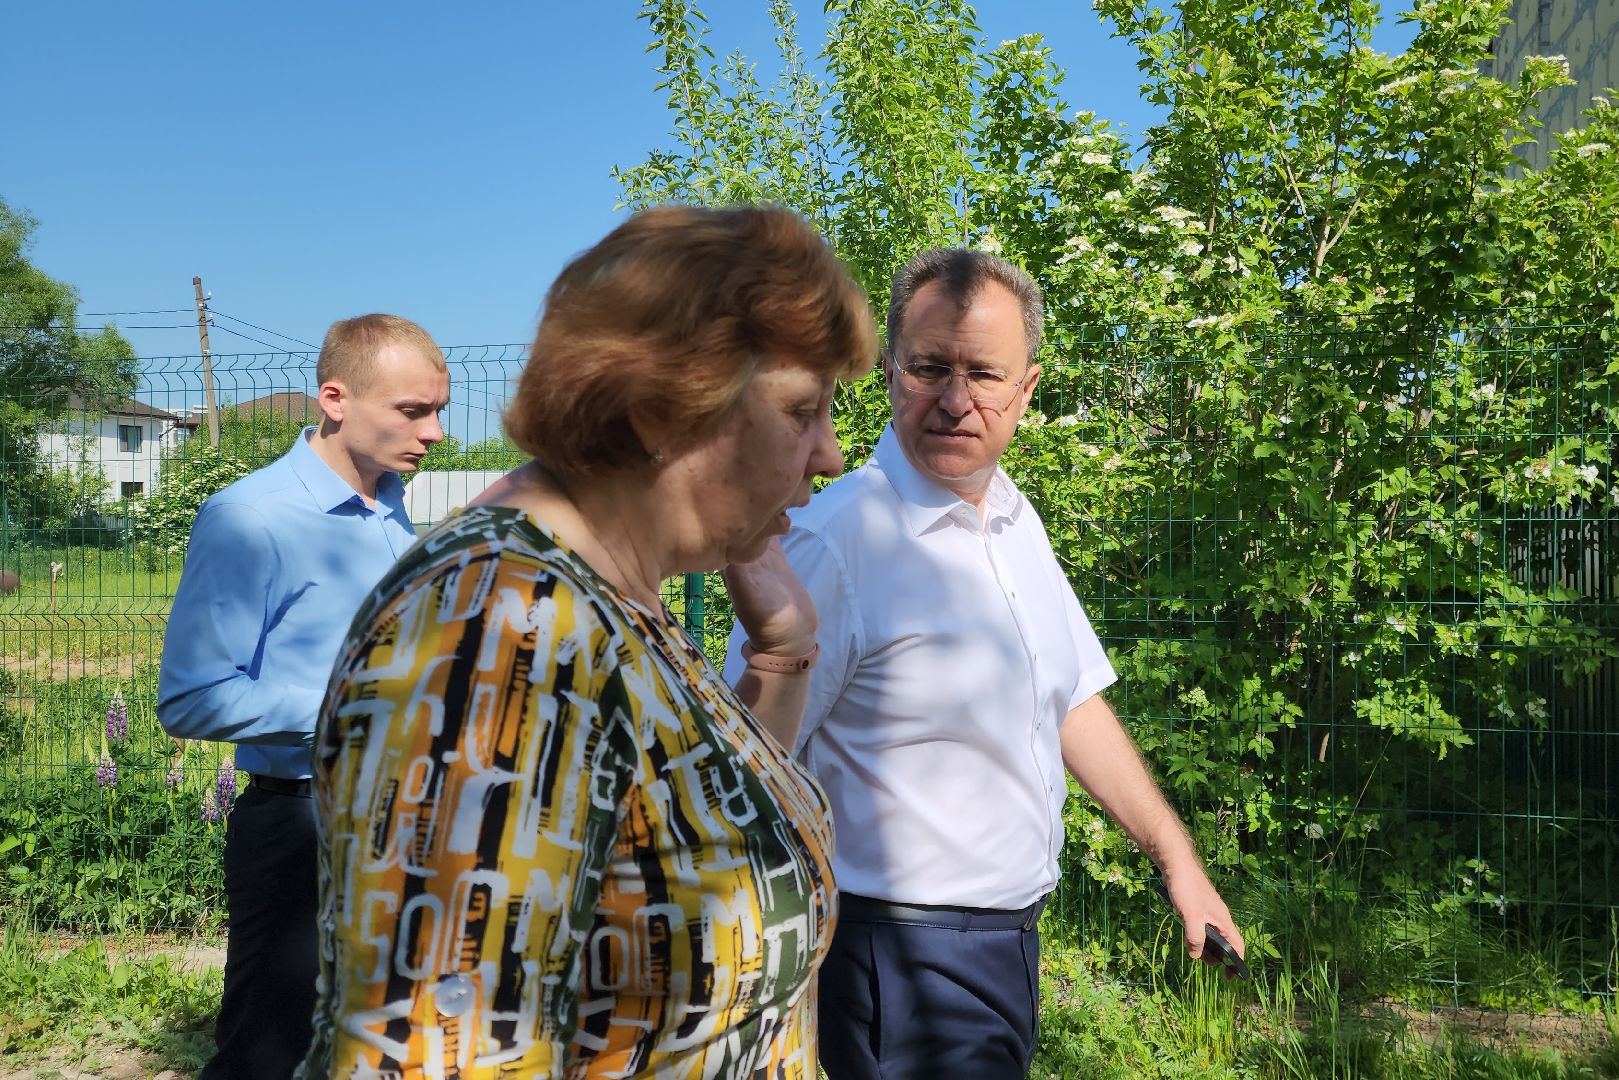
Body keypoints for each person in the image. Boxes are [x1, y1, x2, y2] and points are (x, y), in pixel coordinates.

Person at [297, 205, 877, 1078]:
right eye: (802, 411)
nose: (830, 455)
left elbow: (696, 847)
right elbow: (439, 1056)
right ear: (660, 408)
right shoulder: (497, 630)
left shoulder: (605, 598)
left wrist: (784, 646)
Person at [724, 248, 1246, 1079]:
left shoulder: (1011, 517)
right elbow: (747, 767)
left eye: (983, 373)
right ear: (890, 373)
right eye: (930, 367)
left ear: (1026, 389)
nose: (956, 400)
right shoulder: (836, 541)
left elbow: (1071, 701)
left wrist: (1178, 864)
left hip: (1006, 942)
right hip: (893, 957)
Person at [158, 314, 451, 1079]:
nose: (437, 432)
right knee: (270, 1054)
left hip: (405, 821)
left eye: (438, 410)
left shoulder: (388, 501)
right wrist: (363, 697)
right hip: (302, 830)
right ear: (334, 398)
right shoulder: (250, 517)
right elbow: (192, 698)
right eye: (413, 411)